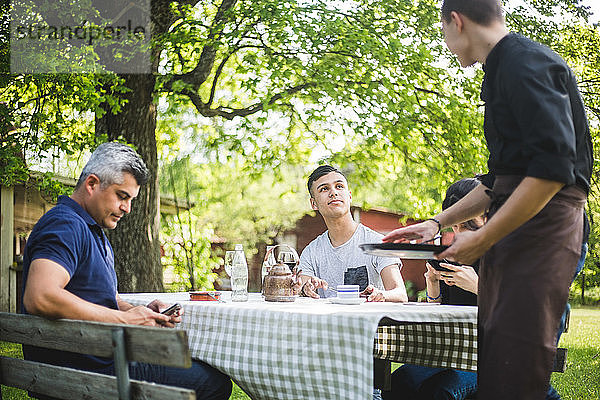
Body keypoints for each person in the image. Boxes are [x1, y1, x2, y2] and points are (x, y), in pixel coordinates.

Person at [383, 1, 592, 399]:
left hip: (544, 229)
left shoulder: (522, 63)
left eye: (443, 33)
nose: (447, 44)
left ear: (456, 22)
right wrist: (437, 223)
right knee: (498, 368)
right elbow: (498, 181)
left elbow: (552, 169)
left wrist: (481, 239)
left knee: (521, 373)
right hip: (515, 228)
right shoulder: (500, 72)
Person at [21, 142, 232, 400]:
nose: (127, 208)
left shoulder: (92, 230)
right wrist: (125, 320)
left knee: (199, 368)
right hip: (88, 373)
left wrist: (133, 311)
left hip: (98, 361)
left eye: (131, 200)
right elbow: (40, 296)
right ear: (92, 184)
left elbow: (102, 297)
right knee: (212, 382)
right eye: (122, 196)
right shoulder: (65, 224)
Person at [385, 178, 481, 400]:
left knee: (439, 391)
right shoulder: (455, 255)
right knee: (398, 382)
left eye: (467, 225)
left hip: (492, 358)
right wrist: (433, 282)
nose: (459, 233)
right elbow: (438, 310)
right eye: (455, 226)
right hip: (452, 353)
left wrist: (479, 287)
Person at [298, 164, 408, 302]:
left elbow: (400, 294)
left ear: (349, 196)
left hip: (368, 322)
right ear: (313, 204)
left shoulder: (378, 244)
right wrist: (306, 289)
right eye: (324, 189)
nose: (333, 192)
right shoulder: (311, 252)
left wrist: (382, 295)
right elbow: (303, 289)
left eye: (339, 186)